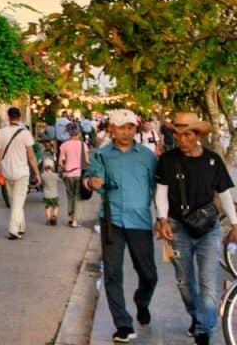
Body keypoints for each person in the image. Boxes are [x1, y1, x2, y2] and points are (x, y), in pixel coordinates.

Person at [154, 112, 237, 345]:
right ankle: (197, 316)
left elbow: (224, 194)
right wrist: (162, 220)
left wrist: (235, 224)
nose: (181, 140)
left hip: (208, 229)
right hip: (178, 227)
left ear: (198, 135)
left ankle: (204, 328)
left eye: (187, 135)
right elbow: (161, 191)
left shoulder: (212, 160)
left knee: (208, 279)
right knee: (184, 282)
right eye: (177, 135)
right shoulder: (168, 160)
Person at [85, 109, 158, 343]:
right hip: (112, 220)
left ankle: (142, 301)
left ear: (136, 129)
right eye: (121, 127)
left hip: (140, 221)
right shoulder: (102, 155)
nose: (126, 132)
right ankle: (123, 324)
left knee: (149, 274)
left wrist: (165, 219)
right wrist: (92, 182)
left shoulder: (148, 157)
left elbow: (159, 189)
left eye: (130, 127)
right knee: (113, 274)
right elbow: (90, 179)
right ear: (112, 130)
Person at [0, 107, 41, 240]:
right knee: (18, 202)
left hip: (7, 172)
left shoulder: (1, 132)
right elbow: (31, 156)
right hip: (22, 173)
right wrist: (37, 173)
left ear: (8, 117)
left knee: (15, 201)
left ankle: (21, 226)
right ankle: (14, 230)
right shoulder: (25, 133)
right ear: (19, 118)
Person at [58, 123, 89, 228]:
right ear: (79, 133)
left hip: (68, 174)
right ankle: (75, 221)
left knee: (70, 196)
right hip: (80, 174)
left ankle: (71, 218)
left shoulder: (64, 145)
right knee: (78, 197)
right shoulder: (83, 145)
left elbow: (60, 162)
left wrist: (65, 167)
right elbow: (87, 161)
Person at [41, 158, 60, 226]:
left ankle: (48, 220)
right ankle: (54, 216)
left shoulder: (43, 175)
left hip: (47, 195)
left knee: (48, 208)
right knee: (56, 206)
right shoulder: (56, 175)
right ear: (52, 167)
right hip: (55, 195)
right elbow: (59, 181)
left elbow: (42, 183)